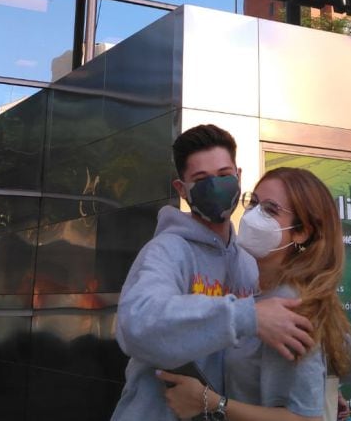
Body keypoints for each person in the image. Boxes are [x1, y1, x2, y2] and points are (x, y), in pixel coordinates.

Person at [158, 168, 351, 421]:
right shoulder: (263, 291)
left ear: (302, 231)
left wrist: (210, 402)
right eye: (254, 202)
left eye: (270, 210)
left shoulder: (288, 306)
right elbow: (326, 346)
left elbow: (305, 418)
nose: (252, 216)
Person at [110, 125, 317, 421]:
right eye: (202, 179)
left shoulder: (250, 259)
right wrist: (247, 316)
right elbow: (137, 324)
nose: (216, 186)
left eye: (223, 175)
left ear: (239, 176)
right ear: (182, 189)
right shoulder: (166, 251)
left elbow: (289, 328)